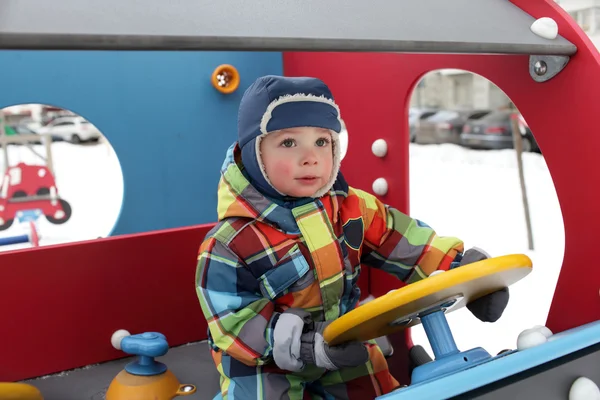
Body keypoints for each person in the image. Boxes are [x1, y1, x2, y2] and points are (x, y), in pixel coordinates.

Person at [196, 75, 509, 399]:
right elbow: (235, 324)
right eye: (289, 143)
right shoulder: (228, 244)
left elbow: (402, 240)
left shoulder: (352, 207)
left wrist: (461, 270)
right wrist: (308, 347)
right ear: (254, 153)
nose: (310, 157)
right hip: (267, 361)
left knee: (376, 389)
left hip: (342, 343)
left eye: (322, 141)